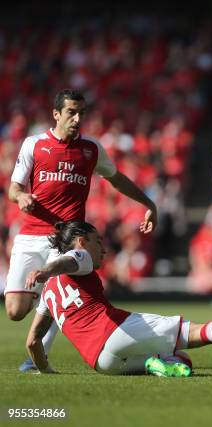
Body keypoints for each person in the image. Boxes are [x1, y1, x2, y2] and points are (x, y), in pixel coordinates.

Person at [5, 89, 158, 372]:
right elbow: (13, 187)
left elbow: (117, 179)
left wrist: (148, 202)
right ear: (56, 114)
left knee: (57, 288)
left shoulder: (91, 148)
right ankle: (42, 295)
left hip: (65, 239)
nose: (77, 119)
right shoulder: (34, 145)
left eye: (81, 113)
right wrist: (22, 197)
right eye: (71, 113)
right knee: (14, 311)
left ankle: (37, 358)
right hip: (29, 235)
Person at [25, 221, 212, 376]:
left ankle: (154, 365)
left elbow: (33, 341)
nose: (103, 248)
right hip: (115, 329)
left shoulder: (48, 294)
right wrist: (45, 270)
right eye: (98, 241)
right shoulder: (79, 257)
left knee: (180, 361)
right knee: (190, 333)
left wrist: (47, 371)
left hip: (100, 362)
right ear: (81, 241)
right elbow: (70, 261)